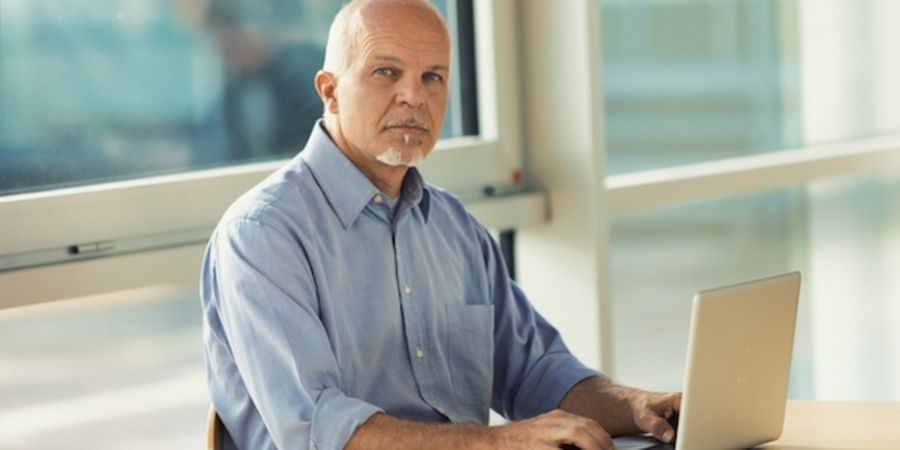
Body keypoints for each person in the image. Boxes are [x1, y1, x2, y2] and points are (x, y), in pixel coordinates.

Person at [200, 1, 681, 449]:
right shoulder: (262, 234)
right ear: (331, 92)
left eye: (433, 77)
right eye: (386, 72)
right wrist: (497, 442)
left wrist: (637, 406)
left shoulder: (454, 228)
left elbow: (536, 374)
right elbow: (319, 430)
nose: (414, 96)